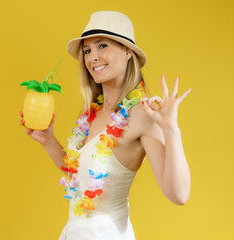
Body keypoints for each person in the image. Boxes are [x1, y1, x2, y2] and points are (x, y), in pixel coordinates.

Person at [20, 11, 192, 240]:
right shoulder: (91, 113)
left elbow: (178, 194)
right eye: (87, 50)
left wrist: (171, 130)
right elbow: (80, 177)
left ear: (127, 51)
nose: (92, 57)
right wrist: (48, 140)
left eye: (102, 46)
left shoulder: (143, 113)